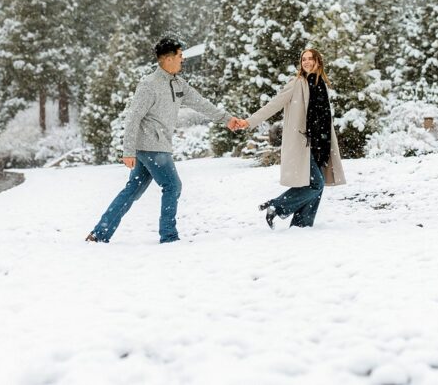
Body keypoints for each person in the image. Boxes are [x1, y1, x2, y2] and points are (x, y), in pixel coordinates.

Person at [86, 37, 243, 244]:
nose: (182, 60)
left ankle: (99, 234)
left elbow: (200, 103)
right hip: (152, 145)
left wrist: (227, 119)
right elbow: (133, 117)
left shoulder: (178, 83)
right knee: (172, 185)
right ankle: (168, 235)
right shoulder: (149, 85)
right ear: (168, 59)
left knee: (132, 190)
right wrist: (128, 151)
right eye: (179, 56)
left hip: (156, 146)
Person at [243, 48, 346, 229]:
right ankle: (276, 206)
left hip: (321, 143)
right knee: (316, 184)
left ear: (318, 62)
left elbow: (323, 116)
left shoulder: (322, 84)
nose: (306, 62)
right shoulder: (297, 83)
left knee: (317, 186)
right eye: (303, 59)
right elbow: (273, 104)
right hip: (303, 143)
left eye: (310, 59)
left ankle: (301, 226)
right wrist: (249, 122)